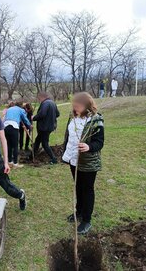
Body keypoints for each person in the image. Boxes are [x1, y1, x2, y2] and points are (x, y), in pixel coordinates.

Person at [62, 92, 104, 235]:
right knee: (77, 186)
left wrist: (89, 147)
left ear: (87, 105)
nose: (75, 107)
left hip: (88, 163)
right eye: (74, 105)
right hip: (73, 159)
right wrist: (65, 152)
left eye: (78, 105)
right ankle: (78, 212)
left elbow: (99, 142)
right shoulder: (72, 117)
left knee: (87, 189)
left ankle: (86, 220)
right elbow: (68, 136)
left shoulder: (96, 120)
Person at [32, 91, 60, 164]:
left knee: (45, 143)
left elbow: (42, 114)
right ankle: (32, 155)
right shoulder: (52, 103)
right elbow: (57, 114)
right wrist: (51, 117)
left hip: (44, 127)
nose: (39, 100)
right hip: (49, 126)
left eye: (39, 98)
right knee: (38, 140)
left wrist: (33, 118)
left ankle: (53, 159)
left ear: (42, 97)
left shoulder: (45, 103)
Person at [4, 101, 31, 168]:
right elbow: (25, 119)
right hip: (14, 127)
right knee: (15, 146)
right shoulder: (21, 110)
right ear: (21, 106)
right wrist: (29, 125)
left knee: (9, 145)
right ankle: (15, 164)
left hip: (6, 127)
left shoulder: (9, 109)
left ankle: (10, 162)